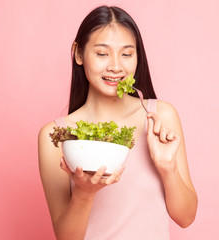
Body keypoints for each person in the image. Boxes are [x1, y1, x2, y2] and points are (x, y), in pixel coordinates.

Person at [38, 5, 198, 240]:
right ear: (79, 54)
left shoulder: (160, 117)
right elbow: (66, 237)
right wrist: (84, 193)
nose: (115, 66)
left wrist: (168, 168)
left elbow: (186, 218)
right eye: (102, 54)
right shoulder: (57, 134)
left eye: (126, 54)